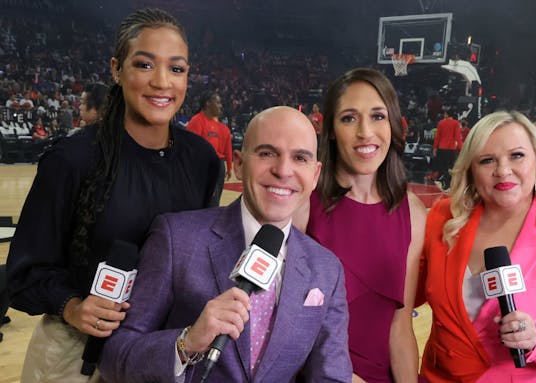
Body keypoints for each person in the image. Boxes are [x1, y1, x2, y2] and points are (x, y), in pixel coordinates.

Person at [6, 8, 220, 382]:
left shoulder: (202, 160)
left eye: (176, 68)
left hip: (161, 350)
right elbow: (24, 273)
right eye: (144, 64)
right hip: (75, 354)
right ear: (116, 69)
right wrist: (72, 306)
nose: (161, 82)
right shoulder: (72, 159)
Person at [98, 106, 352, 382]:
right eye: (267, 153)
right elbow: (114, 357)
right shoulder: (176, 237)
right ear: (240, 164)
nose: (283, 170)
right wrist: (186, 343)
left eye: (300, 158)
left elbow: (332, 375)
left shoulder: (327, 269)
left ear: (315, 175)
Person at [416, 110, 536, 382]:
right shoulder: (444, 220)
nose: (502, 170)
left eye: (517, 155)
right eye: (487, 160)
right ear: (471, 171)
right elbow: (402, 297)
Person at [294, 68, 427, 383]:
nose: (366, 132)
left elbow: (401, 326)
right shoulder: (302, 206)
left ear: (393, 124)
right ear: (330, 130)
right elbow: (286, 330)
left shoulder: (413, 212)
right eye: (349, 118)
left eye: (378, 116)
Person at [187, 90, 233, 207]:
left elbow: (227, 149)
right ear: (208, 103)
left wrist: (229, 166)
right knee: (208, 202)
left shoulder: (221, 127)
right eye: (217, 102)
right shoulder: (197, 121)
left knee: (215, 201)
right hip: (204, 165)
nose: (220, 106)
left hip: (219, 166)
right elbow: (191, 146)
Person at [433, 108, 462, 189]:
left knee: (443, 167)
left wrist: (435, 148)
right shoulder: (456, 123)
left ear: (446, 114)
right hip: (451, 149)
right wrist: (461, 148)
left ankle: (445, 182)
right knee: (451, 167)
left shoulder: (441, 123)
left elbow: (437, 137)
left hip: (442, 148)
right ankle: (448, 183)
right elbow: (457, 137)